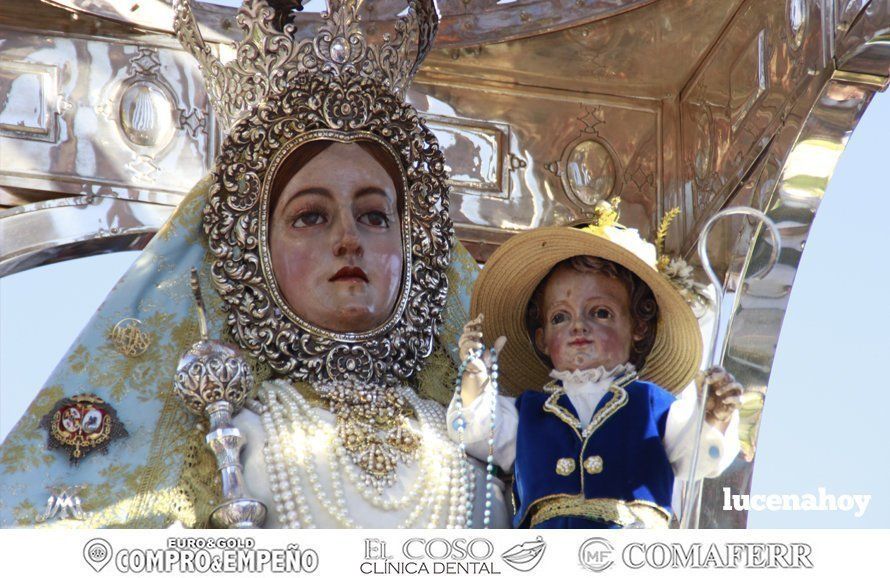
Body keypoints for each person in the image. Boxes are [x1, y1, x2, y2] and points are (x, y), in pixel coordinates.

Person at [0, 0, 509, 529]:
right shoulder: (229, 437)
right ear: (252, 251)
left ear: (417, 248)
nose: (348, 240)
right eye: (311, 216)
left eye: (376, 217)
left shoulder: (484, 425)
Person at [447, 201, 742, 529]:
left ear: (638, 327)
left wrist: (713, 418)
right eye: (560, 317)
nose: (577, 327)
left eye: (600, 313)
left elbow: (698, 458)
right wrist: (474, 380)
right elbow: (472, 434)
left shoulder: (654, 406)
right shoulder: (526, 412)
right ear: (542, 338)